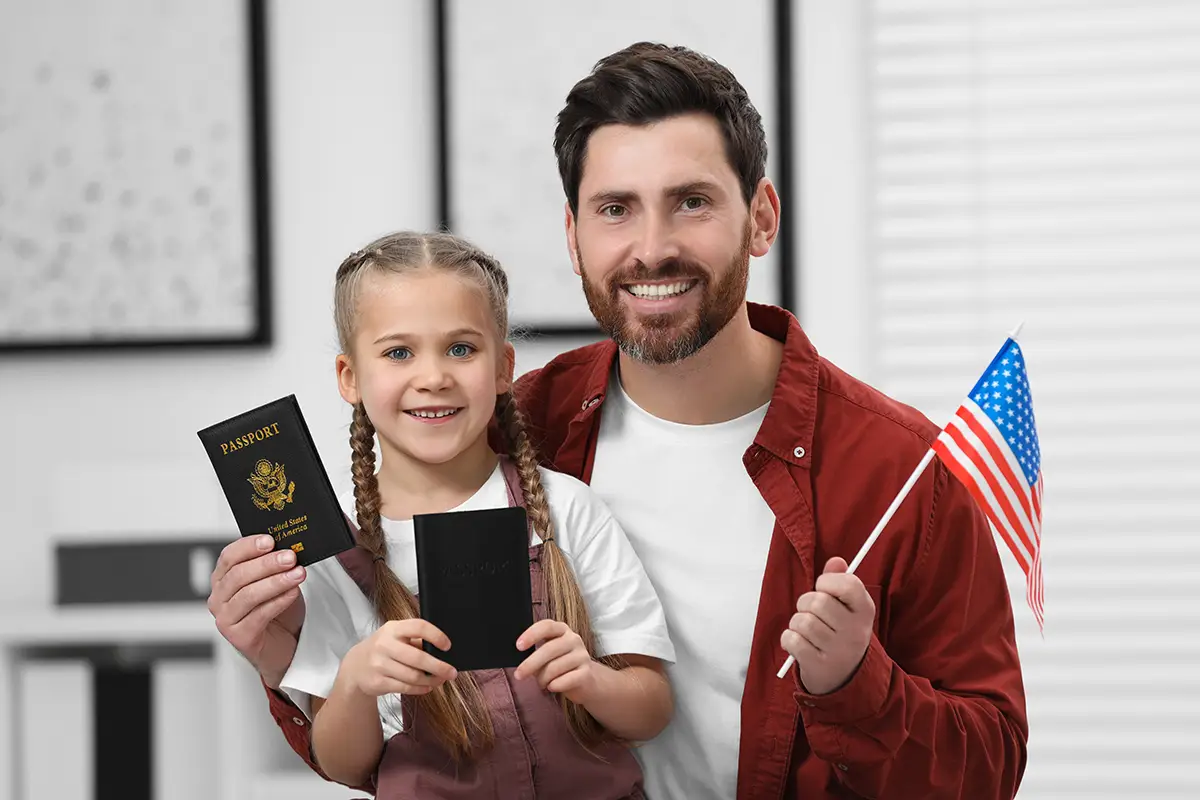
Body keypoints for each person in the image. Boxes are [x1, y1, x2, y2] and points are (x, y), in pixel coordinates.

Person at [208, 42, 1028, 800]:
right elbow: (398, 745)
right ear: (572, 237)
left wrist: (857, 685)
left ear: (763, 218)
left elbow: (989, 766)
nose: (652, 246)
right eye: (614, 210)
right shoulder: (513, 426)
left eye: (692, 202)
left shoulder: (901, 468)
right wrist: (282, 653)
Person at [249, 230, 675, 797]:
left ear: (503, 368)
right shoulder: (332, 549)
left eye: (461, 348)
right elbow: (344, 763)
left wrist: (591, 681)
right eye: (399, 352)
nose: (434, 377)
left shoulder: (567, 508)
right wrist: (354, 683)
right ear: (350, 378)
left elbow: (652, 708)